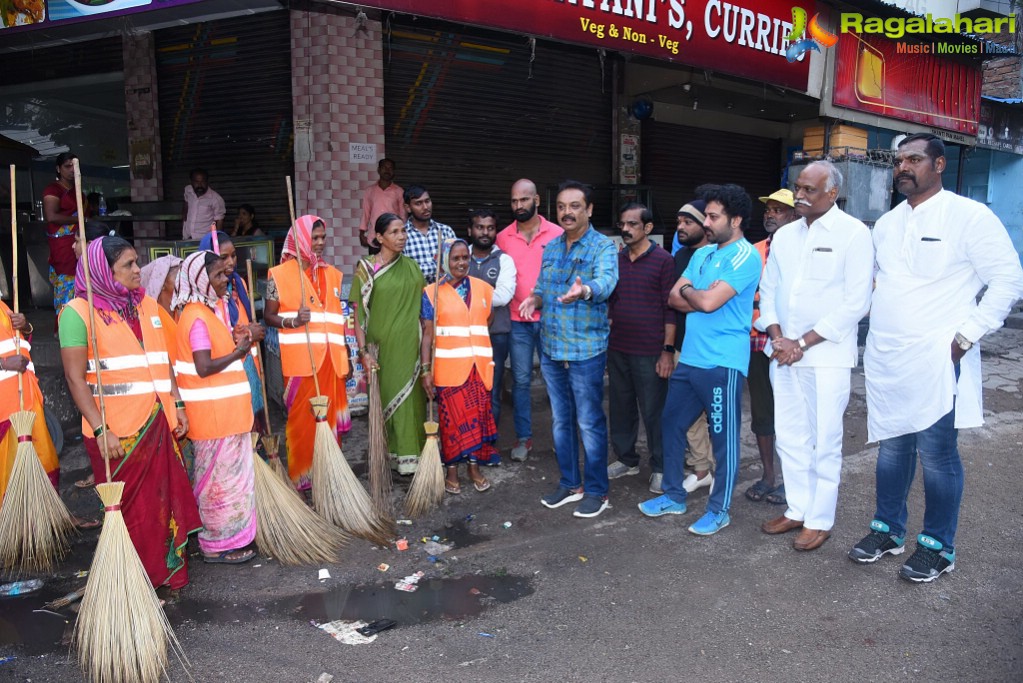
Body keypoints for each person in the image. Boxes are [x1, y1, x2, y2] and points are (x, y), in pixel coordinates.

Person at [852, 133, 1023, 582]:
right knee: (892, 447)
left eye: (914, 159)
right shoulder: (888, 223)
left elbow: (1007, 280)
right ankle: (888, 531)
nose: (903, 167)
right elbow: (879, 285)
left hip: (937, 357)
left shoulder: (969, 216)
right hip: (889, 356)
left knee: (936, 453)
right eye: (898, 160)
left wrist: (966, 337)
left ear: (940, 165)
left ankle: (937, 547)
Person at [60, 236, 200, 590]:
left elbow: (162, 360)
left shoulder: (146, 306)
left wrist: (178, 403)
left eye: (137, 262)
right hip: (116, 433)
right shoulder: (77, 313)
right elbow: (76, 380)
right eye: (128, 265)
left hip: (158, 421)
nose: (139, 270)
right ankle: (134, 585)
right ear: (104, 273)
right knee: (130, 516)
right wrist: (99, 427)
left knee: (162, 506)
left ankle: (166, 574)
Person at [756, 162, 874, 552]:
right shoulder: (787, 235)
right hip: (782, 355)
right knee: (789, 437)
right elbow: (769, 289)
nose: (800, 195)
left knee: (824, 440)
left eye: (809, 189)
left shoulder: (854, 234)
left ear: (832, 193)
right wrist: (776, 337)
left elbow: (856, 302)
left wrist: (800, 343)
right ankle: (797, 508)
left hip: (824, 357)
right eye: (798, 188)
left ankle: (820, 519)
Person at [638, 184, 761, 536]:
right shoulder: (702, 254)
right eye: (705, 215)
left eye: (712, 216)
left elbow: (705, 302)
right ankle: (674, 496)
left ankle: (719, 509)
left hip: (722, 364)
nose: (705, 222)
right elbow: (674, 298)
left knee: (723, 439)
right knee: (671, 424)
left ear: (735, 220)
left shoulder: (745, 255)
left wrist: (693, 294)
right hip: (690, 359)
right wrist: (698, 294)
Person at [519, 180, 618, 519]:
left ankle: (596, 491)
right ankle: (570, 483)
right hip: (551, 348)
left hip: (586, 350)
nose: (567, 212)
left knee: (589, 422)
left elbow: (606, 283)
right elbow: (543, 288)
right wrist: (535, 297)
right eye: (561, 206)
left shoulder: (603, 247)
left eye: (575, 206)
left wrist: (585, 290)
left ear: (589, 209)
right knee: (561, 421)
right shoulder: (551, 247)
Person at [172, 251, 258, 564]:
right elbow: (204, 366)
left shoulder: (206, 312)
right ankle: (218, 545)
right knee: (219, 486)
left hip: (225, 417)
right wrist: (238, 352)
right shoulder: (196, 317)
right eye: (219, 275)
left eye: (225, 274)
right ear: (200, 279)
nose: (226, 280)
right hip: (214, 418)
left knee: (228, 483)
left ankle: (232, 539)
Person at [263, 216, 351, 490]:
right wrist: (292, 322)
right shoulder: (278, 275)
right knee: (302, 423)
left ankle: (328, 474)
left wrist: (346, 353)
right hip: (301, 364)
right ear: (301, 240)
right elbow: (268, 316)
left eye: (323, 237)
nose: (321, 243)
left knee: (329, 422)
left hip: (331, 362)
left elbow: (338, 319)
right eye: (315, 238)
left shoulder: (333, 274)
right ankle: (302, 478)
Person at [606, 203, 675, 494]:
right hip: (618, 346)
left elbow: (669, 308)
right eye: (623, 224)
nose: (625, 229)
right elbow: (611, 301)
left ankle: (660, 467)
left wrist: (667, 350)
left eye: (632, 224)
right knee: (620, 407)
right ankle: (626, 459)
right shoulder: (616, 259)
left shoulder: (663, 260)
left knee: (654, 411)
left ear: (647, 228)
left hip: (650, 350)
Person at [352, 213, 427, 475]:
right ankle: (390, 459)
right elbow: (358, 316)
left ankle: (413, 460)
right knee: (387, 404)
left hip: (411, 348)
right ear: (379, 237)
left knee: (412, 403)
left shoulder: (413, 267)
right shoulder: (366, 268)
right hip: (380, 352)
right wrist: (363, 353)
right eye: (394, 232)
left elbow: (423, 309)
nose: (402, 236)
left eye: (403, 231)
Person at [421, 239, 497, 494]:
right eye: (455, 258)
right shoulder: (430, 292)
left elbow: (487, 321)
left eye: (465, 257)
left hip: (479, 370)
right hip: (450, 372)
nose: (462, 263)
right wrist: (426, 370)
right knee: (452, 424)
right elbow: (427, 335)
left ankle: (474, 468)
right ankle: (451, 469)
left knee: (477, 420)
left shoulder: (484, 288)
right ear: (444, 261)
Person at [495, 178, 563, 462]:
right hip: (517, 321)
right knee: (521, 381)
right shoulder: (502, 237)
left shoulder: (558, 233)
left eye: (524, 200)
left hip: (551, 319)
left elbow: (564, 277)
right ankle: (524, 438)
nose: (518, 205)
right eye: (514, 200)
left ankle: (563, 438)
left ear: (536, 200)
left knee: (556, 380)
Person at [744, 189, 797, 506]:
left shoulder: (802, 250)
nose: (770, 214)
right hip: (756, 342)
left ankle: (792, 481)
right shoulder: (754, 251)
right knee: (763, 413)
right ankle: (768, 476)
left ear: (794, 215)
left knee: (792, 415)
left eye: (778, 210)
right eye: (768, 210)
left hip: (791, 345)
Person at [668, 200, 716, 497]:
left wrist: (699, 301)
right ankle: (701, 470)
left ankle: (722, 472)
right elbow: (673, 301)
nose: (680, 227)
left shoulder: (719, 256)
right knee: (689, 416)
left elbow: (714, 302)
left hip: (714, 348)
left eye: (688, 222)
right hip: (684, 346)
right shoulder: (680, 257)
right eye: (679, 221)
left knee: (718, 414)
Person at [199, 231, 265, 432]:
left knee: (256, 430)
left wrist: (252, 331)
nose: (230, 262)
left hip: (249, 367)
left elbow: (247, 323)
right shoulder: (207, 296)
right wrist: (247, 335)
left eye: (233, 256)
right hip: (225, 374)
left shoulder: (239, 284)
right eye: (223, 257)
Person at [0, 300, 59, 501]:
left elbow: (19, 341)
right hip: (4, 407)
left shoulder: (3, 306)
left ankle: (48, 518)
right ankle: (14, 526)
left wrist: (26, 326)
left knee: (44, 459)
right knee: (9, 470)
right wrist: (4, 363)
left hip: (27, 397)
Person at [467, 209, 517, 431]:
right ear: (470, 230)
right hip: (462, 336)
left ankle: (488, 442)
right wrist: (487, 294)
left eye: (490, 228)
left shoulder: (504, 260)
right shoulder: (458, 256)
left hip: (496, 335)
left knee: (492, 389)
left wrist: (465, 295)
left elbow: (503, 296)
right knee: (465, 389)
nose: (485, 232)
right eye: (480, 227)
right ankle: (469, 441)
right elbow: (447, 290)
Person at [42, 152, 89, 322]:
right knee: (66, 280)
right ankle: (63, 323)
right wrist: (80, 219)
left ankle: (83, 320)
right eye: (67, 166)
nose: (71, 170)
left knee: (83, 278)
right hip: (63, 244)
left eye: (74, 166)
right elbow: (51, 216)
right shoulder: (53, 190)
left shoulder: (78, 190)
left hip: (80, 241)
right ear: (58, 169)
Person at [402, 185, 455, 284]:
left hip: (445, 295)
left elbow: (456, 266)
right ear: (408, 208)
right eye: (418, 203)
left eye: (427, 201)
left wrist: (418, 269)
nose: (425, 207)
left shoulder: (446, 231)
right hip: (416, 296)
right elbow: (404, 272)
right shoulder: (402, 235)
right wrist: (439, 267)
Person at [359, 158, 406, 252]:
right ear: (379, 170)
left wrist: (403, 234)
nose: (387, 170)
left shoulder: (399, 191)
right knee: (375, 266)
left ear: (393, 172)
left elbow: (403, 216)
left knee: (393, 266)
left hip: (393, 238)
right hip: (374, 237)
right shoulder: (370, 191)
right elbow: (366, 213)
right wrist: (362, 233)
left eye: (390, 168)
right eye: (384, 167)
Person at [182, 168, 225, 240]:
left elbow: (219, 221)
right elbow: (185, 204)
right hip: (187, 238)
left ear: (207, 182)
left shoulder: (216, 199)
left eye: (203, 182)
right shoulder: (188, 190)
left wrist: (216, 242)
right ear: (191, 181)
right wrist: (184, 224)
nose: (200, 185)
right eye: (196, 182)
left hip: (205, 240)